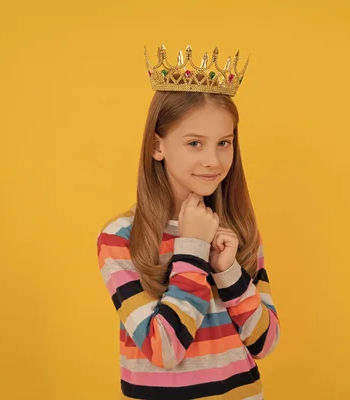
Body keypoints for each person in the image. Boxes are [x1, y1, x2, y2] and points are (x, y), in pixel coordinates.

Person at [96, 44, 280, 399]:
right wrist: (193, 250)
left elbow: (265, 342)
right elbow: (164, 349)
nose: (213, 160)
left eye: (223, 143)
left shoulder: (239, 230)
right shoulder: (121, 237)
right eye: (195, 143)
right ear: (157, 146)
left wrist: (228, 272)